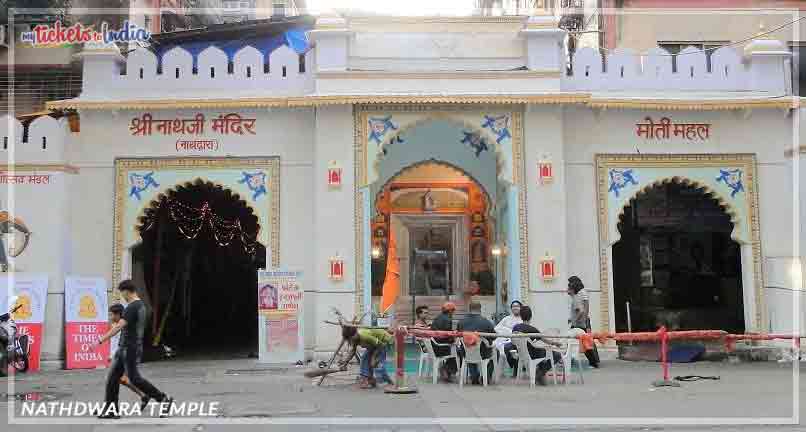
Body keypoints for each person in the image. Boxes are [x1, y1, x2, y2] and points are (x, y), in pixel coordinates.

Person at [91, 280, 174, 419]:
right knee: (112, 379)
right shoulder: (141, 306)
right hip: (125, 348)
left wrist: (99, 341)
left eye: (121, 292)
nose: (122, 296)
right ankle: (112, 411)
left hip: (130, 348)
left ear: (126, 291)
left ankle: (163, 399)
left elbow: (118, 327)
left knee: (135, 378)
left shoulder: (132, 307)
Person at [504, 306, 563, 385]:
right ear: (531, 316)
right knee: (556, 355)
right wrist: (556, 343)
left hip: (522, 355)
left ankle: (538, 373)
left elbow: (513, 341)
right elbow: (545, 340)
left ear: (521, 316)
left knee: (543, 352)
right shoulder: (533, 330)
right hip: (533, 354)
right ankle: (540, 373)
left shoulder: (515, 328)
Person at [108, 304, 148, 410]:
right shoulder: (115, 325)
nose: (110, 317)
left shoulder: (125, 325)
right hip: (119, 355)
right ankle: (144, 396)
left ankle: (151, 395)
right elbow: (114, 342)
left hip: (129, 354)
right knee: (119, 380)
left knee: (125, 379)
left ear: (118, 315)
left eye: (112, 315)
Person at [341, 325, 394, 389]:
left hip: (383, 342)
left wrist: (373, 358)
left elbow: (380, 345)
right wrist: (345, 363)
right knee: (364, 359)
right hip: (373, 346)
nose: (351, 341)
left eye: (351, 338)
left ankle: (389, 382)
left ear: (355, 334)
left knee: (377, 365)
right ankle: (369, 380)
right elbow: (353, 351)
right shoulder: (353, 339)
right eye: (349, 339)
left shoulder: (364, 336)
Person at [457, 302, 496, 385]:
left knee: (470, 349)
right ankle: (486, 378)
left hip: (465, 352)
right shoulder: (486, 322)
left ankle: (474, 376)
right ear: (480, 309)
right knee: (496, 353)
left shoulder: (461, 322)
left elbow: (458, 334)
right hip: (482, 353)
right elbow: (494, 336)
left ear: (469, 309)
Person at [567, 276, 600, 368]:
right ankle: (593, 361)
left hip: (580, 323)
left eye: (569, 286)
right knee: (585, 342)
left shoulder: (581, 294)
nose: (567, 289)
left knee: (584, 342)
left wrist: (577, 320)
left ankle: (593, 361)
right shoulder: (577, 296)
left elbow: (583, 309)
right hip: (581, 322)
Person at [430, 302, 458, 382]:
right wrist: (454, 340)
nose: (453, 313)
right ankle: (447, 369)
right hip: (441, 347)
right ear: (450, 311)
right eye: (453, 311)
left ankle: (446, 369)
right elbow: (448, 335)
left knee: (455, 350)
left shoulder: (437, 318)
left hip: (434, 346)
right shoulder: (448, 320)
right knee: (458, 351)